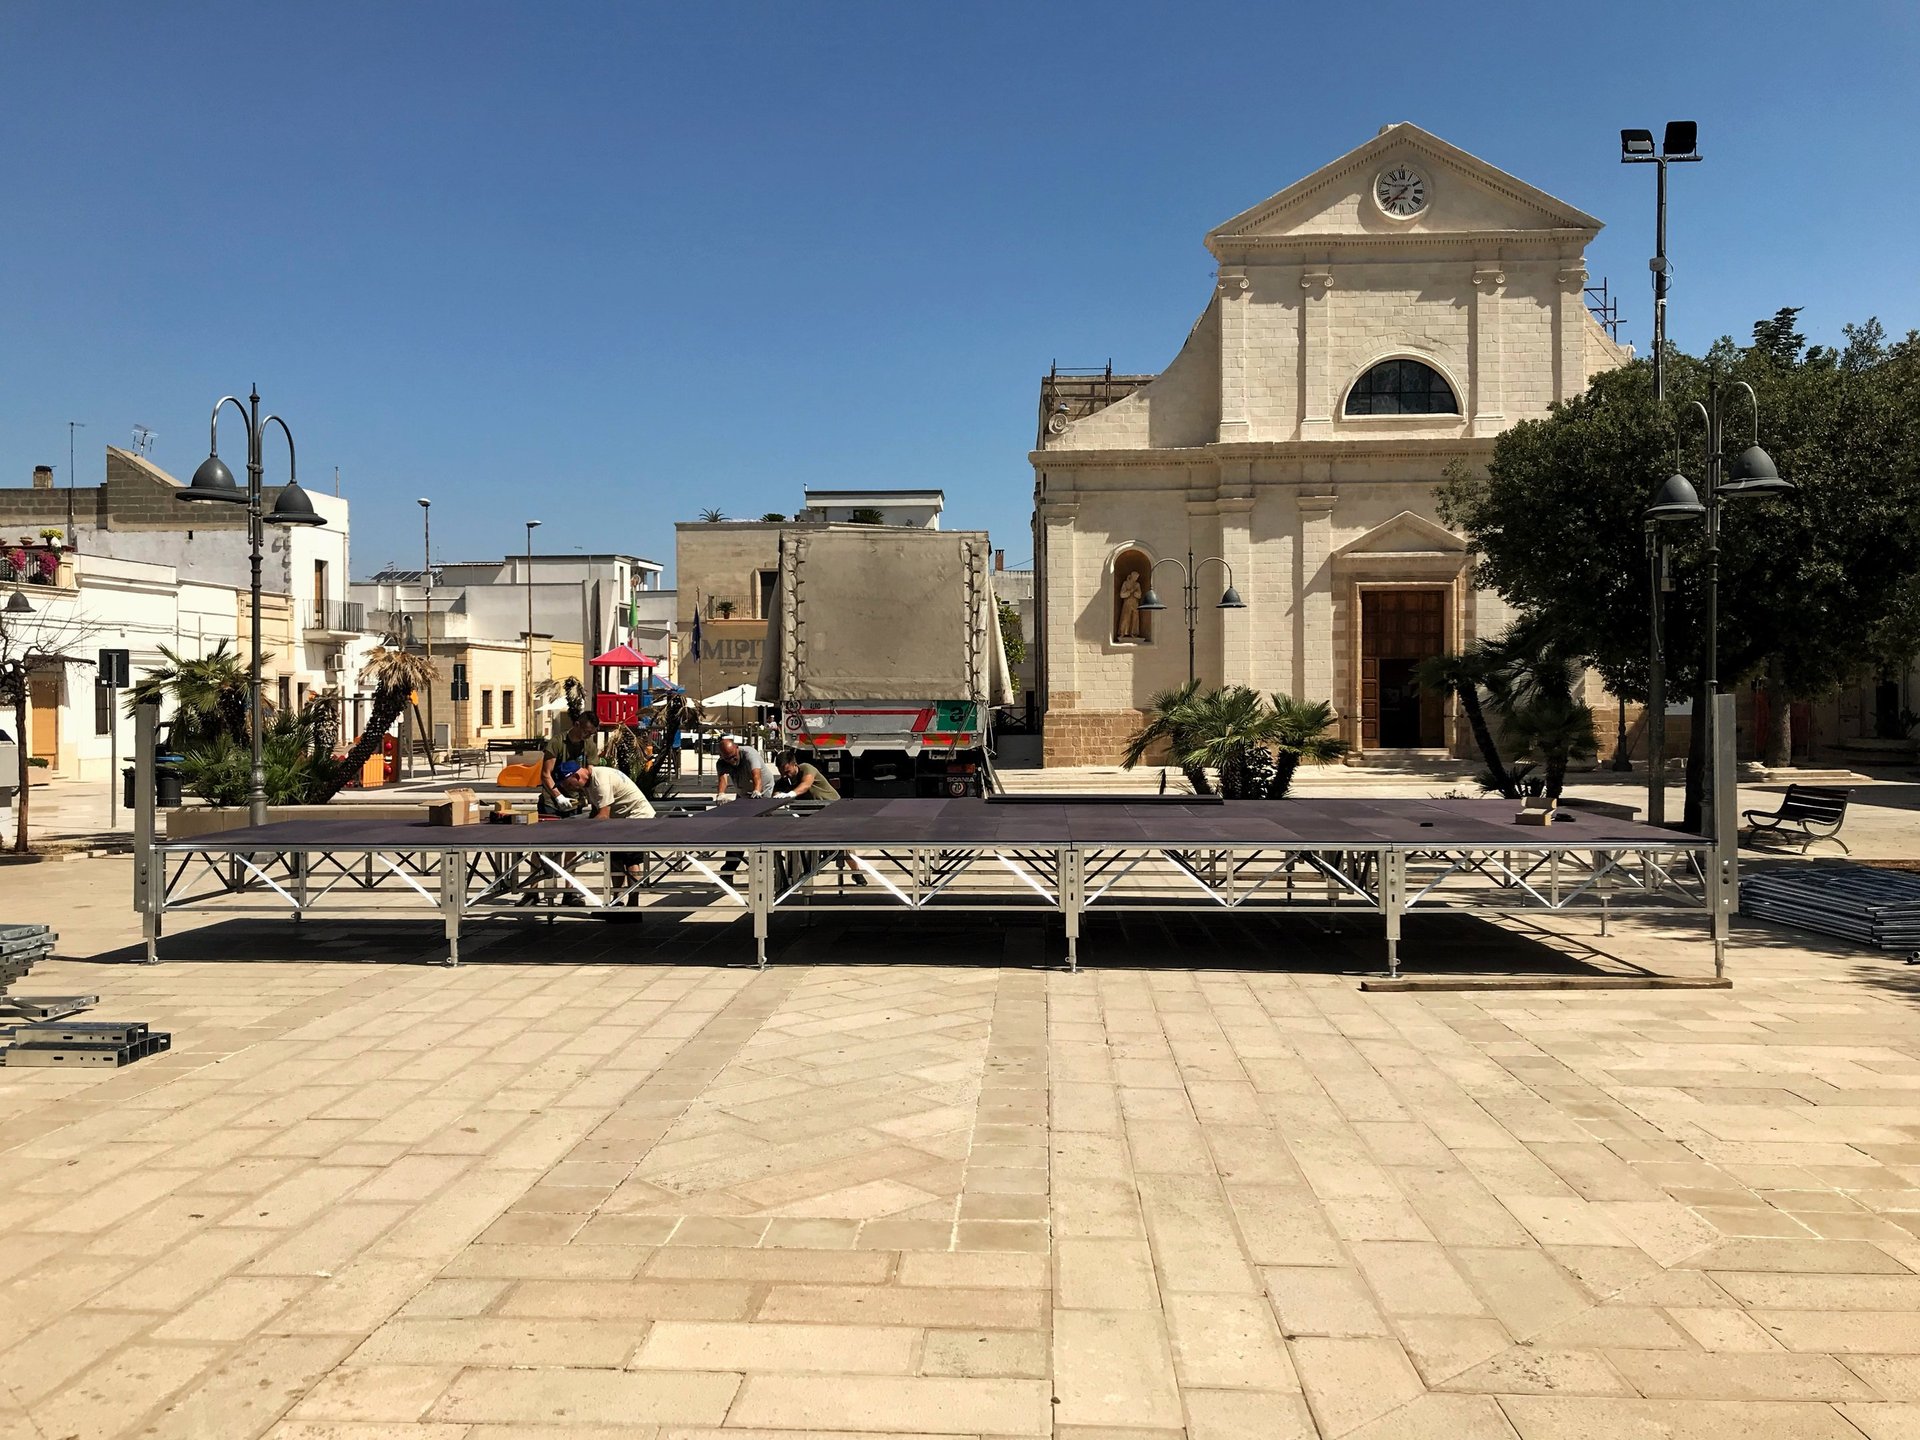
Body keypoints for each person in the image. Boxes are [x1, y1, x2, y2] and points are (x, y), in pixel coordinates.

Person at [555, 758, 655, 905]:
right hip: (620, 820)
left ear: (576, 776)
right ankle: (617, 901)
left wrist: (583, 834)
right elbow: (596, 811)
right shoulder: (588, 784)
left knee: (630, 859)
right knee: (614, 857)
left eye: (569, 784)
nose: (569, 789)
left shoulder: (600, 781)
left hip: (637, 818)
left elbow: (603, 816)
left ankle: (633, 905)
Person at [770, 749, 865, 885]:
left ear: (794, 764)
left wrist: (790, 794)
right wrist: (777, 798)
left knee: (843, 844)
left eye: (787, 771)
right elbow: (775, 795)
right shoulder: (784, 781)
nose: (785, 775)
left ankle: (856, 872)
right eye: (782, 773)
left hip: (832, 810)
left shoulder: (807, 768)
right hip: (811, 817)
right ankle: (796, 877)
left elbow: (805, 785)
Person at [540, 715, 600, 815]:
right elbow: (545, 774)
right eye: (586, 732)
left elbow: (591, 775)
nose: (588, 736)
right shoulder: (557, 742)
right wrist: (558, 797)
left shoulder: (590, 745)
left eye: (591, 734)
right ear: (577, 725)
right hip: (551, 801)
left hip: (575, 801)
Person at [713, 737, 765, 802]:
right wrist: (721, 794)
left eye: (734, 756)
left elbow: (756, 776)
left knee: (760, 806)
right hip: (743, 790)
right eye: (728, 758)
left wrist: (757, 790)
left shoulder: (750, 754)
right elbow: (722, 780)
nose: (732, 760)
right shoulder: (721, 762)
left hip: (763, 788)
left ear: (737, 747)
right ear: (721, 756)